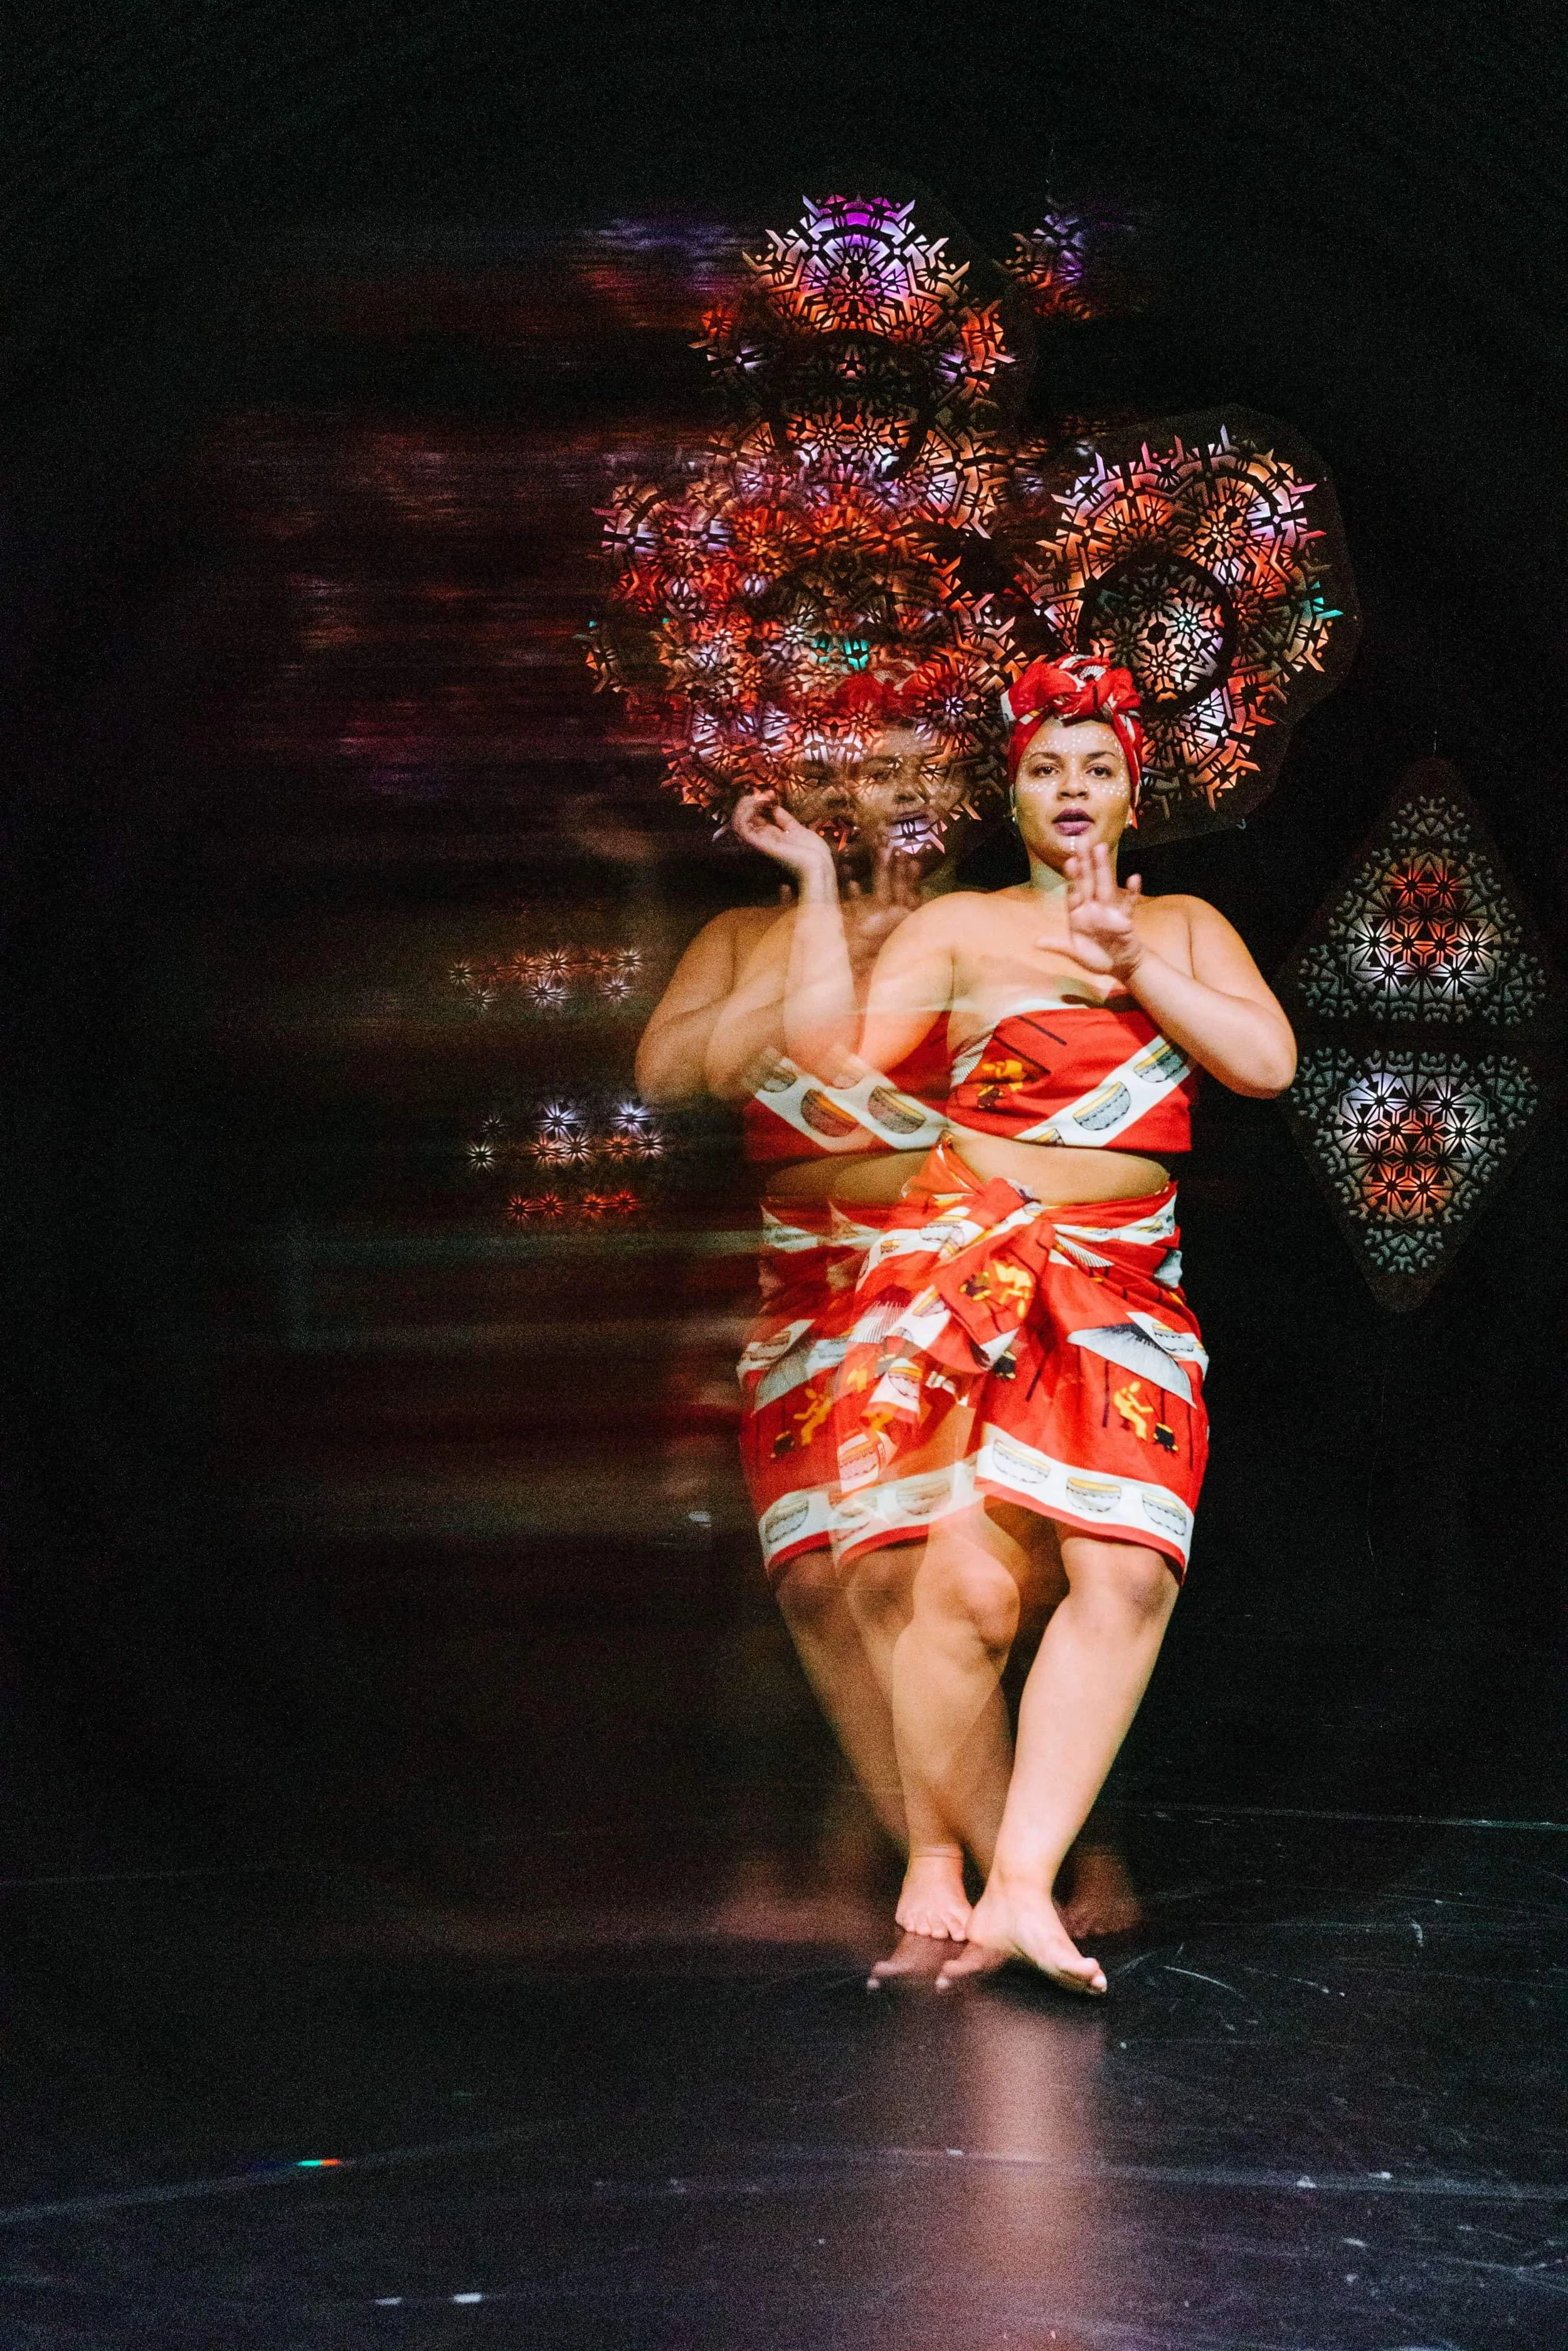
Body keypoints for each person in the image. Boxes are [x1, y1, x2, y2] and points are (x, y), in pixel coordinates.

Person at [742, 654, 1296, 1994]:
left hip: (1123, 1281)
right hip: (971, 1272)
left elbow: (1265, 1064)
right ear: (1014, 792)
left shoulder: (1186, 926)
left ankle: (1021, 1889)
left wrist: (1131, 961)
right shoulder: (961, 924)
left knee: (1128, 1570)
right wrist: (814, 884)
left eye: (1098, 766)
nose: (1072, 786)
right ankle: (982, 1873)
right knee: (964, 1592)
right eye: (1047, 766)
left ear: (1132, 795)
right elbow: (830, 1056)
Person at [639, 713, 993, 1964]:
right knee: (811, 1583)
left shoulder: (978, 924)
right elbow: (678, 1074)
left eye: (918, 763)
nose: (891, 787)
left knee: (948, 1578)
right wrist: (807, 914)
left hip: (951, 1273)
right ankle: (931, 1863)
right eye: (863, 765)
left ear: (963, 783)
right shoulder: (748, 934)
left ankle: (1017, 1863)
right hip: (800, 1285)